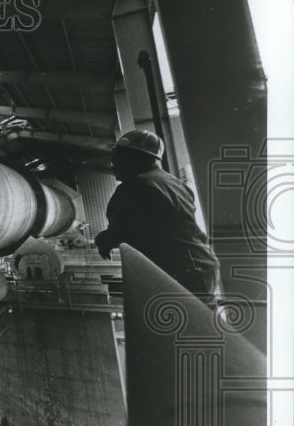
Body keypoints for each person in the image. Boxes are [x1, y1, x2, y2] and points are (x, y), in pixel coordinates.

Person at [94, 129, 220, 306]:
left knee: (186, 326)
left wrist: (104, 240)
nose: (112, 164)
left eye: (118, 158)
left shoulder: (138, 186)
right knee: (200, 322)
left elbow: (126, 231)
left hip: (181, 273)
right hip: (200, 267)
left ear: (137, 158)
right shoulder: (173, 182)